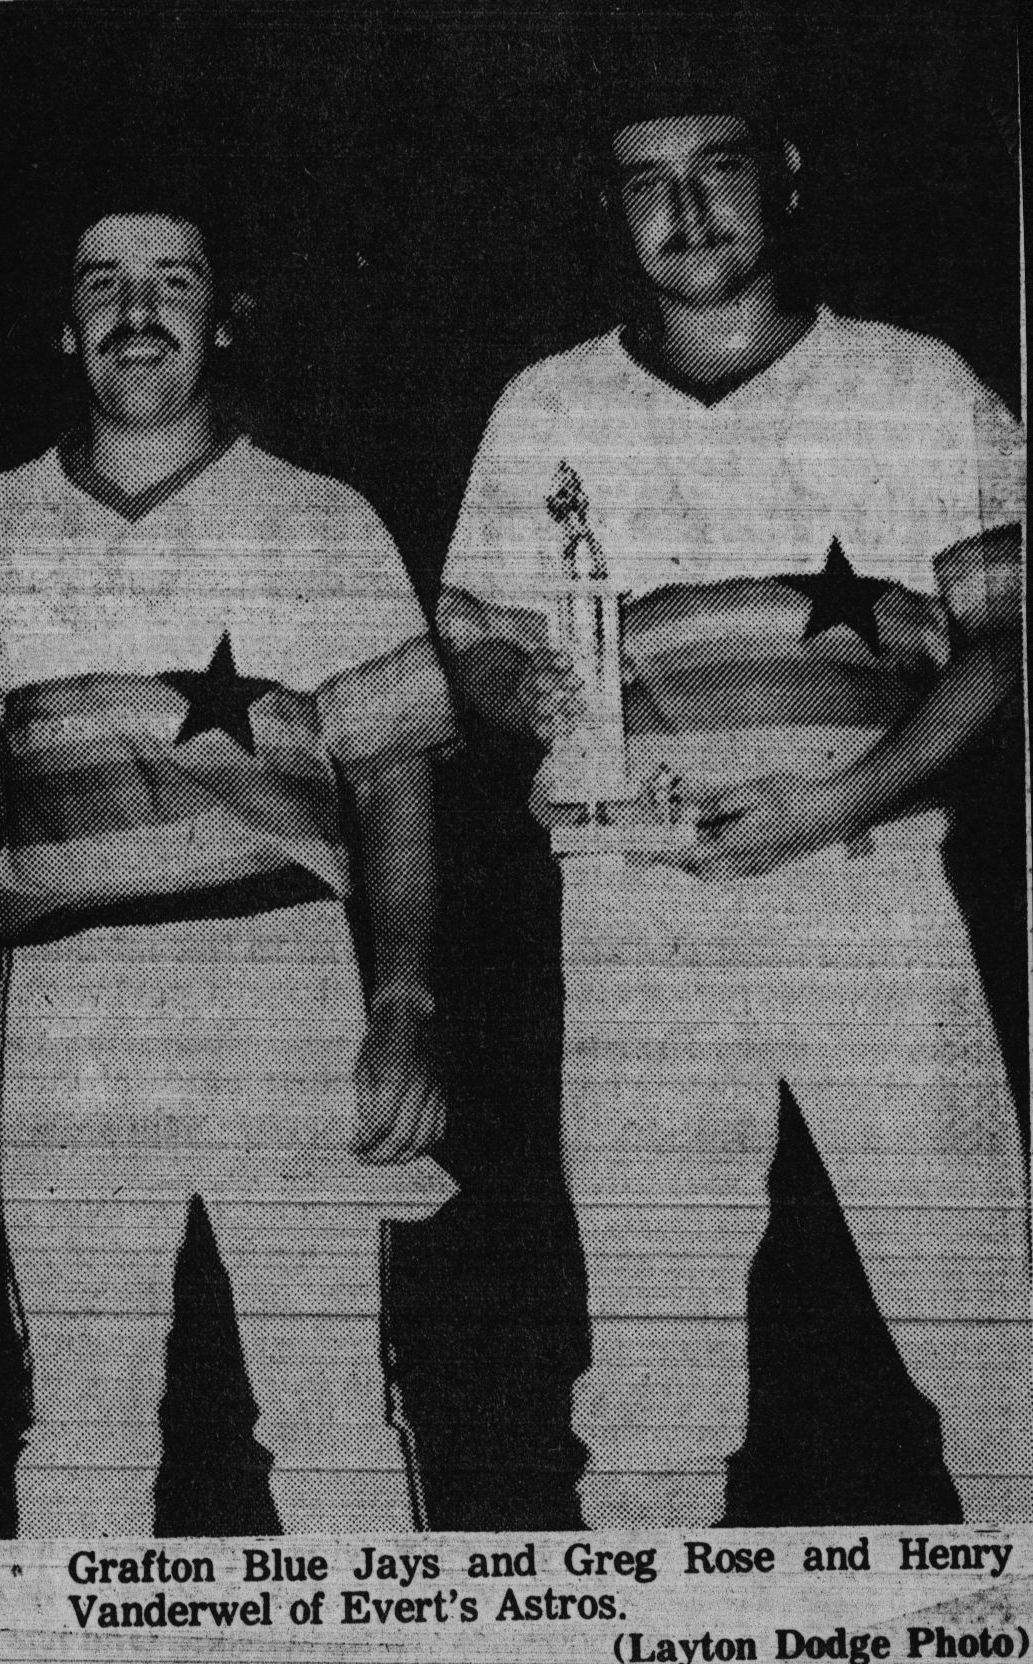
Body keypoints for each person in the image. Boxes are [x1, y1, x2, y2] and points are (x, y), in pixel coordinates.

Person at [438, 54, 1029, 1527]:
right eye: (648, 183)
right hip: (637, 908)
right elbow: (474, 649)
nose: (686, 209)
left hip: (865, 892)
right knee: (653, 1352)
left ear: (783, 179)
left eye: (717, 169)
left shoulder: (913, 380)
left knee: (986, 1324)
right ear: (613, 214)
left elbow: (1007, 638)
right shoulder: (546, 404)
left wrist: (845, 802)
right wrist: (528, 701)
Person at [0, 192, 460, 1535]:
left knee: (331, 1403)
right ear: (65, 323)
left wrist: (401, 1003)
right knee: (82, 1423)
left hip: (280, 980)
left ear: (225, 315)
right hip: (71, 1001)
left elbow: (395, 784)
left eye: (173, 280)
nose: (138, 313)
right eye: (104, 284)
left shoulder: (325, 521)